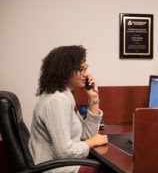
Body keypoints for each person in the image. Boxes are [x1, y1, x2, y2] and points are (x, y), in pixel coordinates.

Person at [28, 45, 108, 173]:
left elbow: (86, 135)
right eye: (81, 69)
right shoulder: (57, 100)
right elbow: (63, 152)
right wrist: (91, 143)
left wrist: (94, 98)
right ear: (64, 71)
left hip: (61, 165)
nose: (85, 74)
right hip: (54, 169)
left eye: (85, 68)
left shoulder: (64, 96)